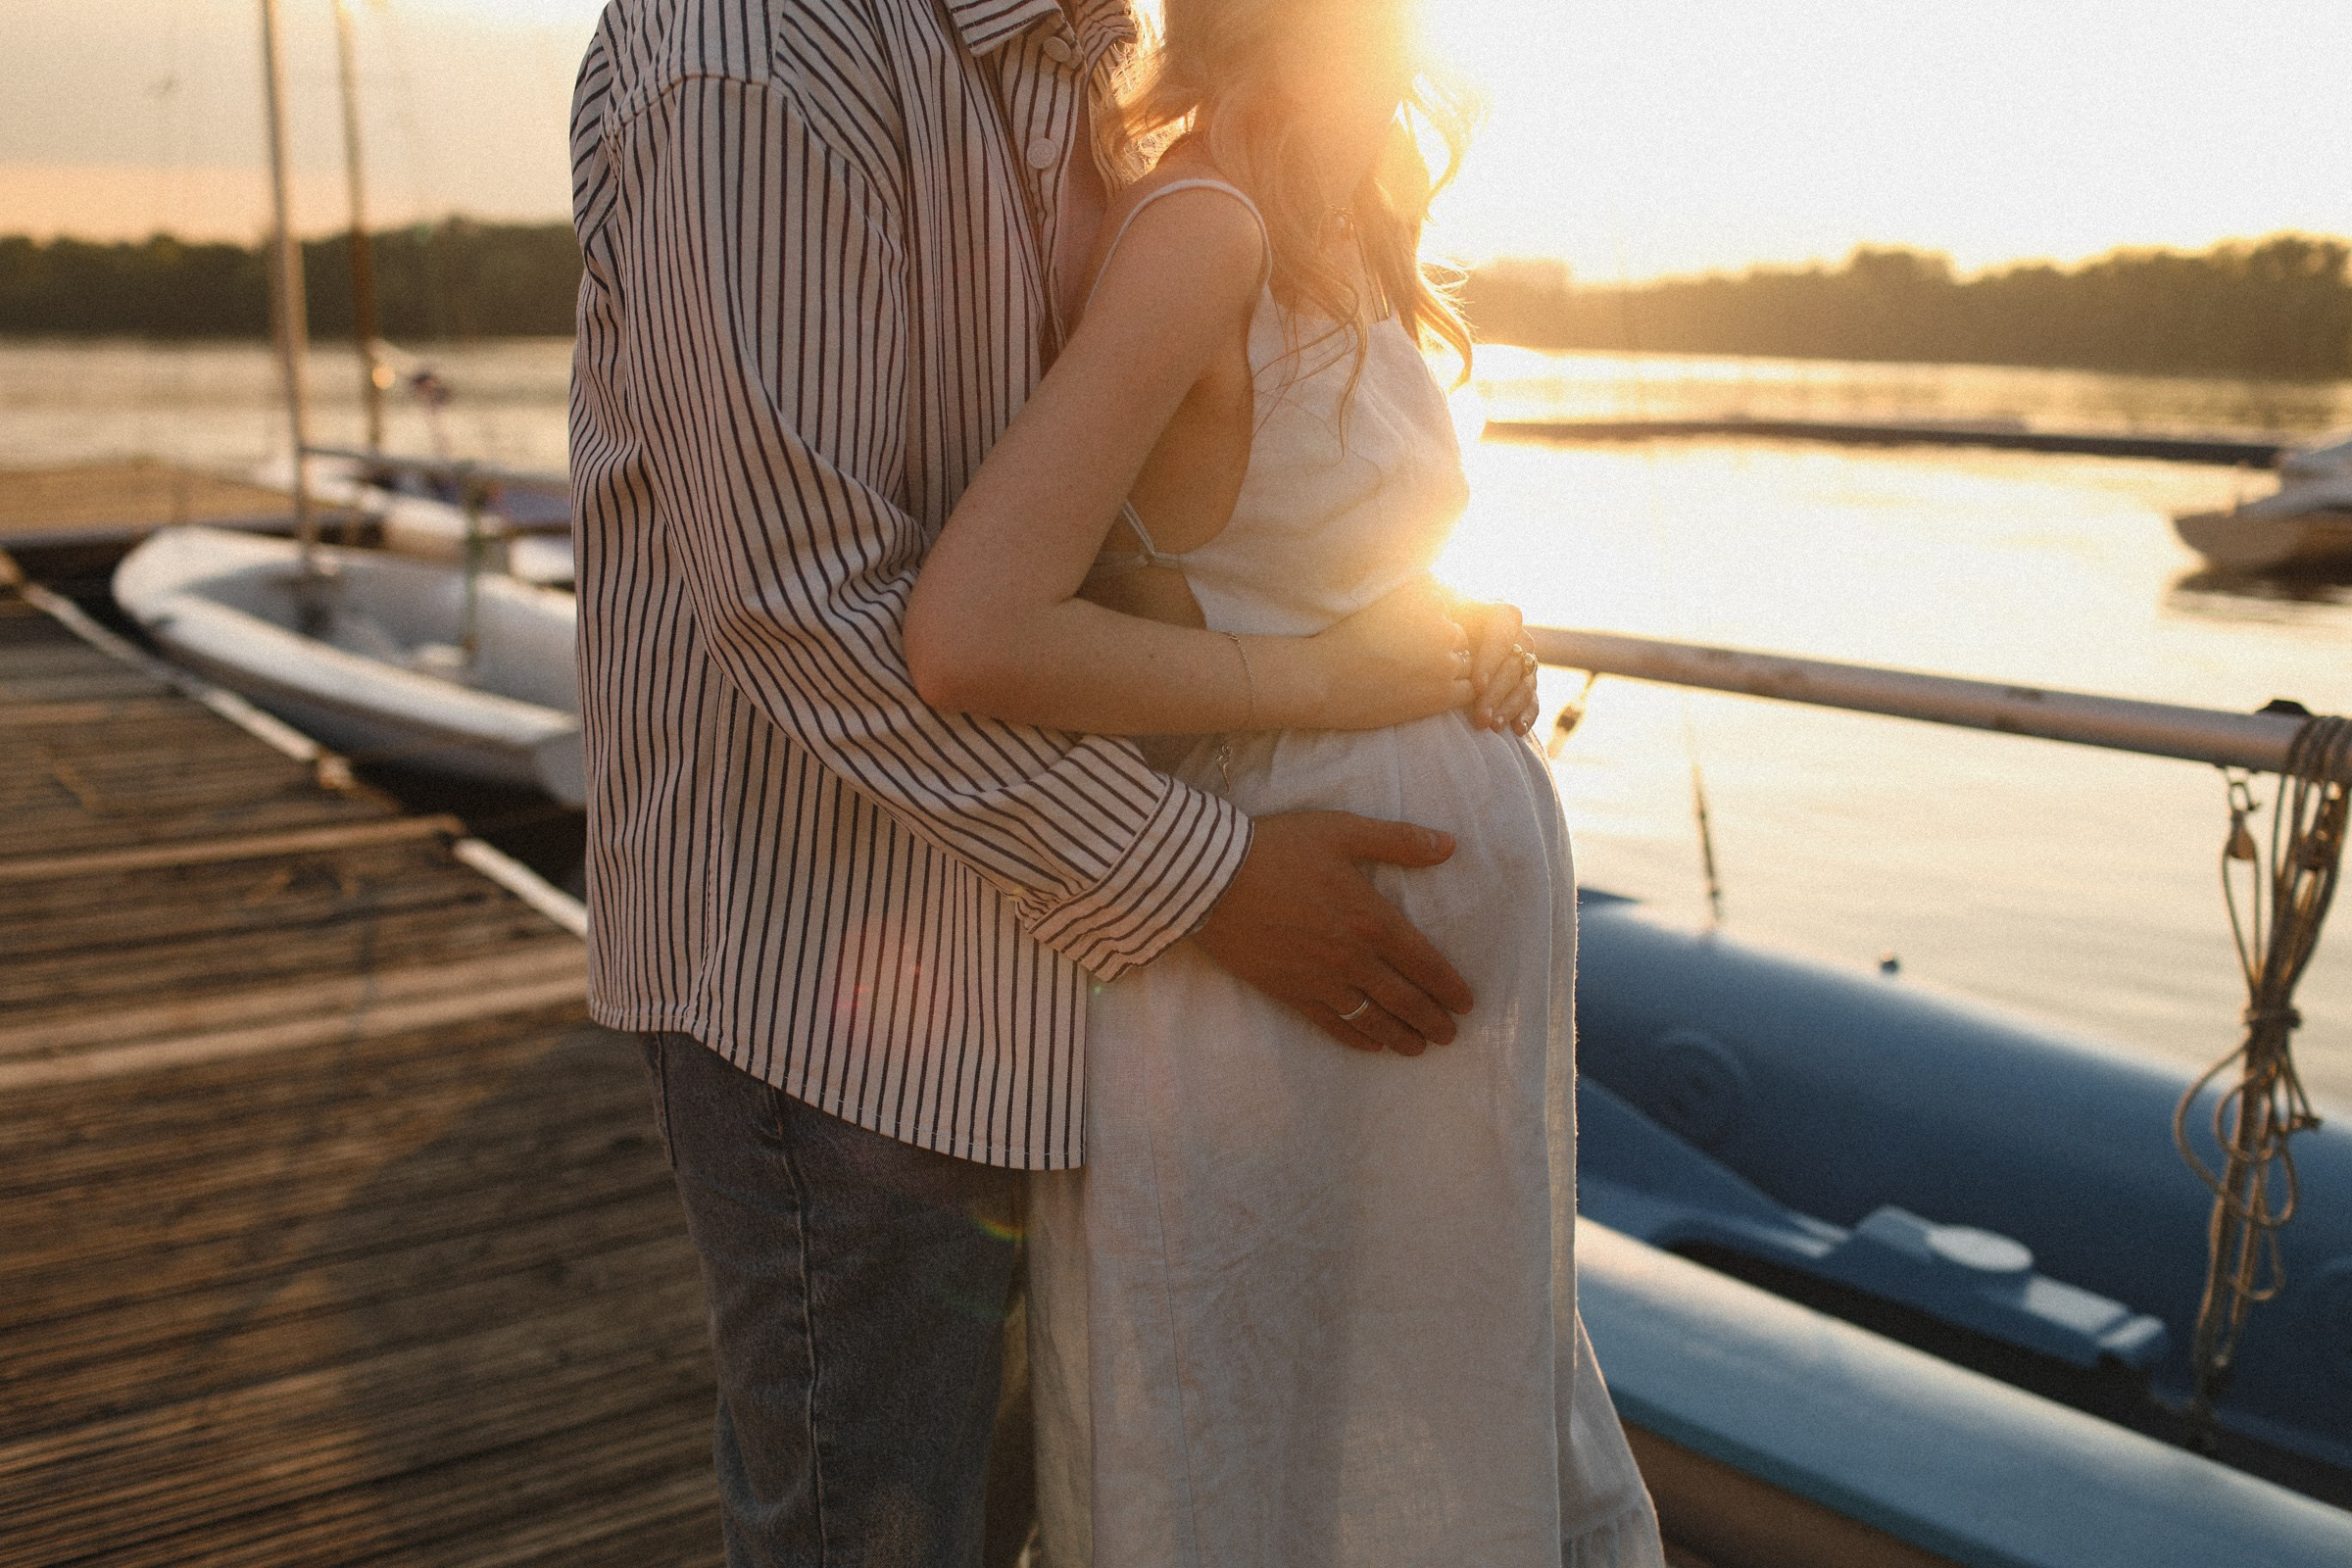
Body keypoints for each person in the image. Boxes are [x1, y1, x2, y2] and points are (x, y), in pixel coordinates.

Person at [569, 1, 1539, 1561]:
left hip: (1077, 977)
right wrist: (1205, 869)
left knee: (1075, 1509)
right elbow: (805, 598)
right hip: (840, 986)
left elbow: (1143, 526)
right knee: (880, 1536)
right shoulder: (757, 51)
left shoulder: (1085, 54)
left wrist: (1399, 617)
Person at [902, 0, 1668, 1562]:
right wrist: (1342, 674)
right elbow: (974, 634)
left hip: (1410, 1053)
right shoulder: (1201, 231)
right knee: (1257, 1467)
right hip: (1278, 1007)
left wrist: (1456, 630)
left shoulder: (1340, 227)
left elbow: (1305, 558)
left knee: (1418, 1434)